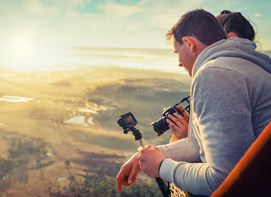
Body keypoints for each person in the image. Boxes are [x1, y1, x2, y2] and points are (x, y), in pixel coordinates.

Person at [116, 9, 271, 196]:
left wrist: (161, 167)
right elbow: (199, 143)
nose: (179, 63)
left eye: (177, 52)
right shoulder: (244, 66)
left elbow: (224, 180)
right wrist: (149, 155)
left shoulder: (215, 73)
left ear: (189, 44)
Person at [168, 10, 257, 140]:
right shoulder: (257, 72)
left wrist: (189, 137)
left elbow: (227, 154)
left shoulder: (218, 77)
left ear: (230, 38)